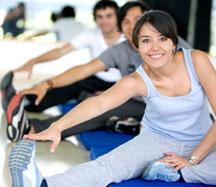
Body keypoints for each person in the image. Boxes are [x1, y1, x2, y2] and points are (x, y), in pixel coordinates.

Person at [9, 10, 216, 186]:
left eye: (162, 38)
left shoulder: (196, 60)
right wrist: (57, 127)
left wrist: (191, 159)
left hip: (204, 139)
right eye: (146, 40)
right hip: (156, 139)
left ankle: (174, 171)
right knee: (109, 166)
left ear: (173, 42)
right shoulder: (136, 80)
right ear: (137, 46)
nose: (155, 47)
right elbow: (98, 104)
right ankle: (42, 183)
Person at [5, 1, 192, 142]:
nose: (131, 26)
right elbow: (84, 70)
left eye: (137, 19)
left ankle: (132, 124)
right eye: (125, 22)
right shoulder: (120, 49)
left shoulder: (172, 43)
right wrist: (46, 84)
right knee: (97, 103)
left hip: (175, 109)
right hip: (140, 103)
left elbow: (199, 79)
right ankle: (33, 128)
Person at [14, 0, 123, 82]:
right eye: (100, 17)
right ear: (95, 18)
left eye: (109, 16)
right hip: (95, 78)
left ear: (118, 17)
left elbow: (44, 32)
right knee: (57, 85)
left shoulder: (127, 36)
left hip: (122, 82)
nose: (104, 21)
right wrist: (33, 61)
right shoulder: (89, 32)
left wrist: (26, 37)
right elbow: (60, 51)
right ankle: (24, 102)